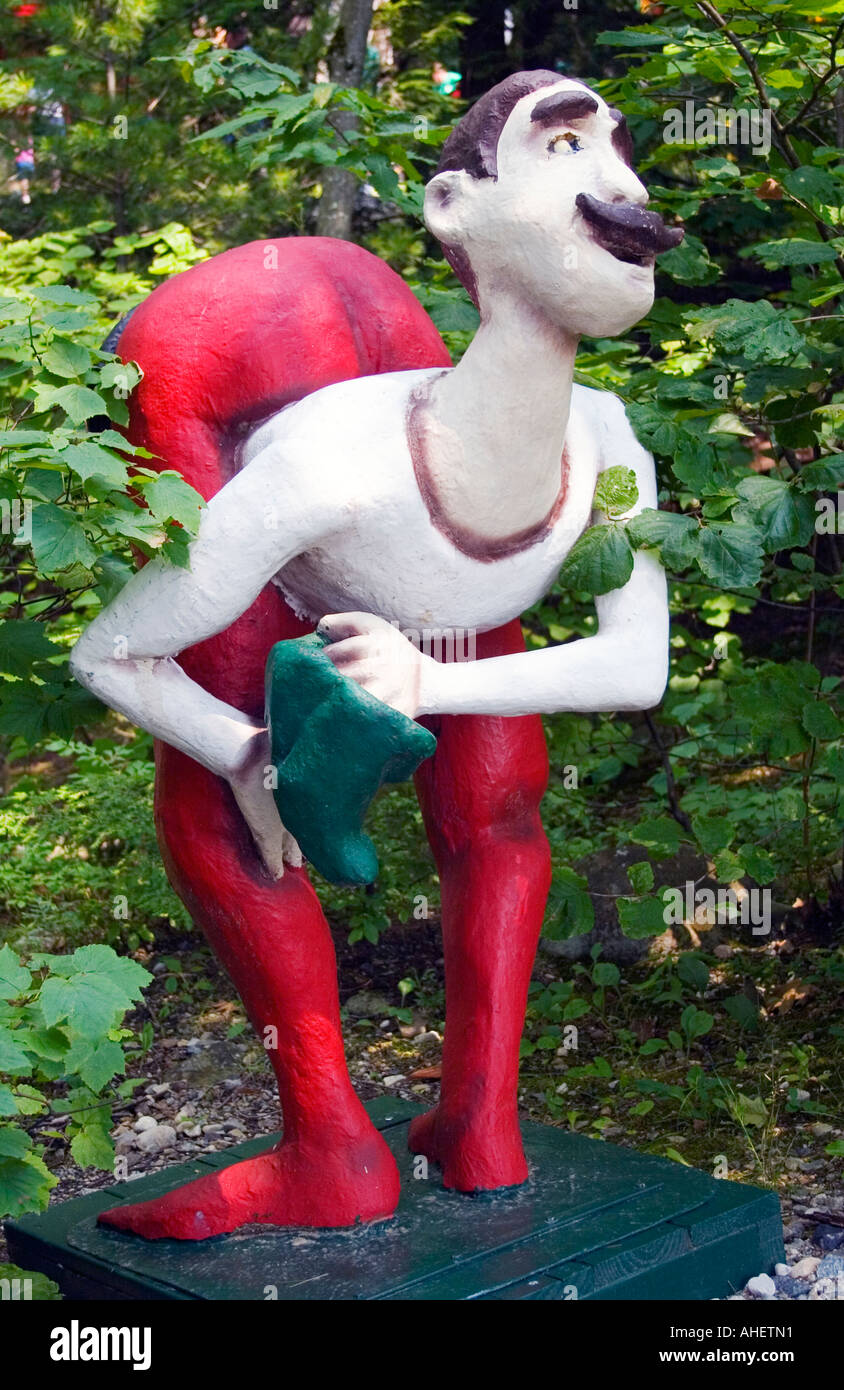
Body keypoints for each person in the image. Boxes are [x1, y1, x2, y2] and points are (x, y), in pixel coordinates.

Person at [71, 72, 679, 1240]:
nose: (624, 190)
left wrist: (429, 679)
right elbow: (113, 653)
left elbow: (633, 665)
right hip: (218, 375)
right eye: (562, 146)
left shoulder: (604, 445)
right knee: (229, 793)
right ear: (455, 207)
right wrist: (240, 745)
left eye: (619, 146)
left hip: (403, 463)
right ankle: (327, 1146)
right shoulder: (318, 476)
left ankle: (477, 1120)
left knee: (497, 786)